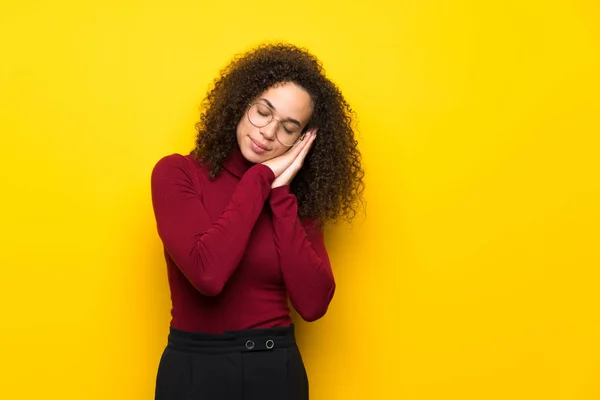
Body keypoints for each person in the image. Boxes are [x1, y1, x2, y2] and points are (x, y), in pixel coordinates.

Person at [150, 42, 364, 400]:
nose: (267, 132)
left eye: (288, 128)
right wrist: (259, 178)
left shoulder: (296, 201)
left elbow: (313, 305)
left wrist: (281, 196)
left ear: (303, 141)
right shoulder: (177, 173)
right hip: (193, 371)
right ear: (241, 102)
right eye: (263, 112)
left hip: (275, 370)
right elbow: (208, 274)